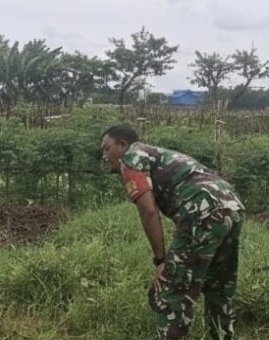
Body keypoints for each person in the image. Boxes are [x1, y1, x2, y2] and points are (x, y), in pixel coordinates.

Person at [100, 125, 243, 340]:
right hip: (232, 205)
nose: (104, 156)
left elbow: (149, 212)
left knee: (170, 287)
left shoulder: (130, 159)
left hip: (203, 210)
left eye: (107, 148)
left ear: (122, 145)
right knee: (220, 286)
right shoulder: (156, 153)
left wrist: (160, 260)